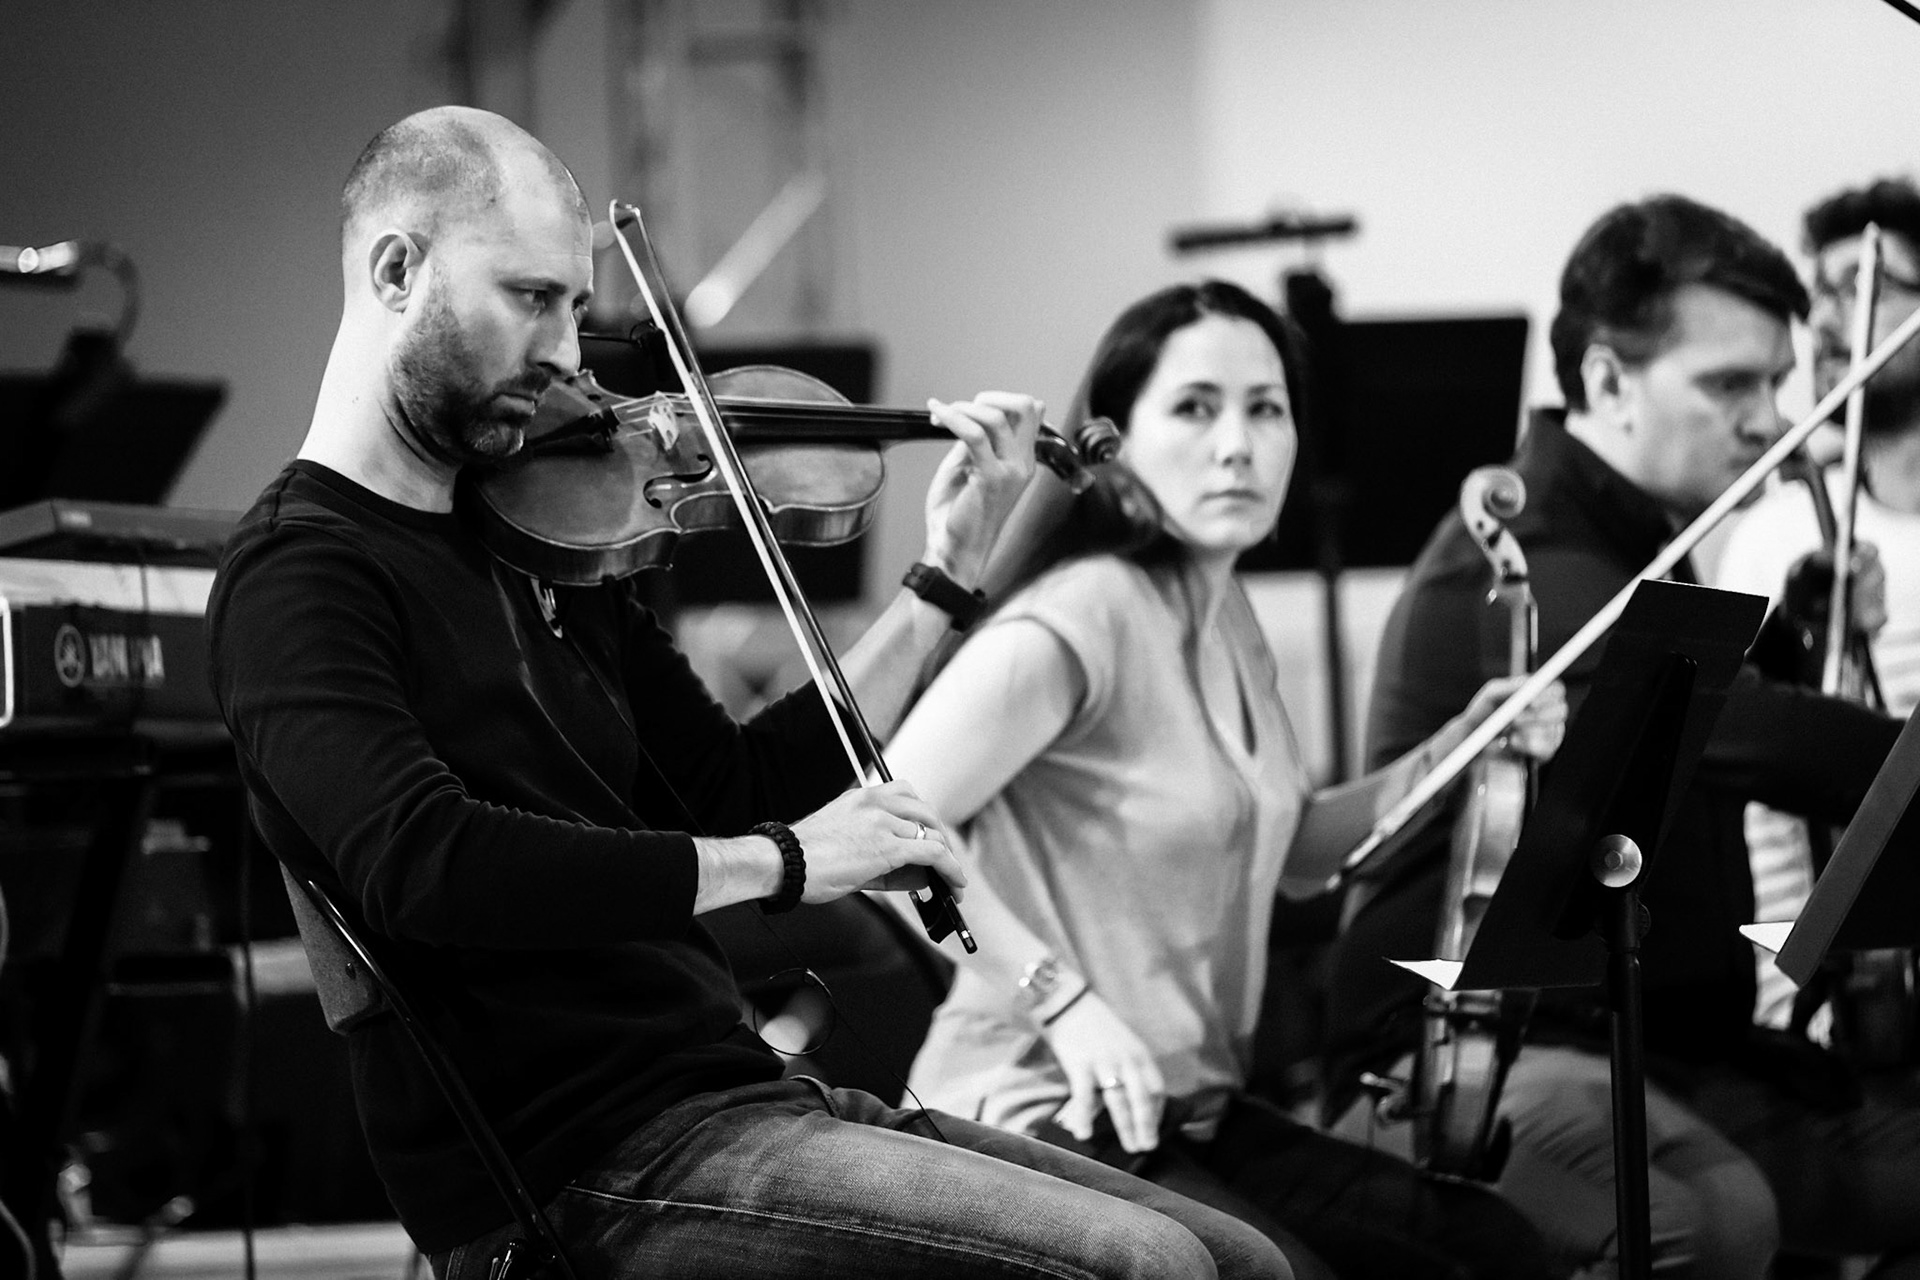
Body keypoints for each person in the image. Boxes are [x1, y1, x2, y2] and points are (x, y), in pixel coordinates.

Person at [207, 106, 1294, 1280]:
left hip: (736, 1097)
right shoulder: (300, 572)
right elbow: (428, 864)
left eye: (578, 305)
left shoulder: (540, 534)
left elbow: (735, 780)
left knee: (1239, 1259)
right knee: (1152, 1267)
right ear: (396, 269)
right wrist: (781, 860)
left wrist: (941, 582)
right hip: (575, 1169)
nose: (572, 354)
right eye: (532, 297)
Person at [883, 279, 1571, 1280]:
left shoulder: (1225, 613)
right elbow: (880, 828)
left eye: (1266, 409)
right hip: (1032, 1110)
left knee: (1491, 1246)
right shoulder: (1080, 615)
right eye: (1196, 408)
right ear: (1116, 447)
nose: (1238, 443)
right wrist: (1062, 998)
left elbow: (1290, 851)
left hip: (1188, 1110)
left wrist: (1462, 745)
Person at [1322, 194, 1920, 1280]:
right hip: (1467, 1048)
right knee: (1709, 1219)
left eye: (1778, 383)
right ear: (1605, 380)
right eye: (1731, 383)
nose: (1767, 416)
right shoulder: (1530, 556)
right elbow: (1723, 725)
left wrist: (1792, 630)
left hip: (1668, 1038)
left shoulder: (1654, 536)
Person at [1716, 177, 1920, 1038]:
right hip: (1827, 1005)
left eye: (1863, 287)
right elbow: (1745, 786)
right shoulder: (1778, 527)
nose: (1831, 321)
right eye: (1823, 290)